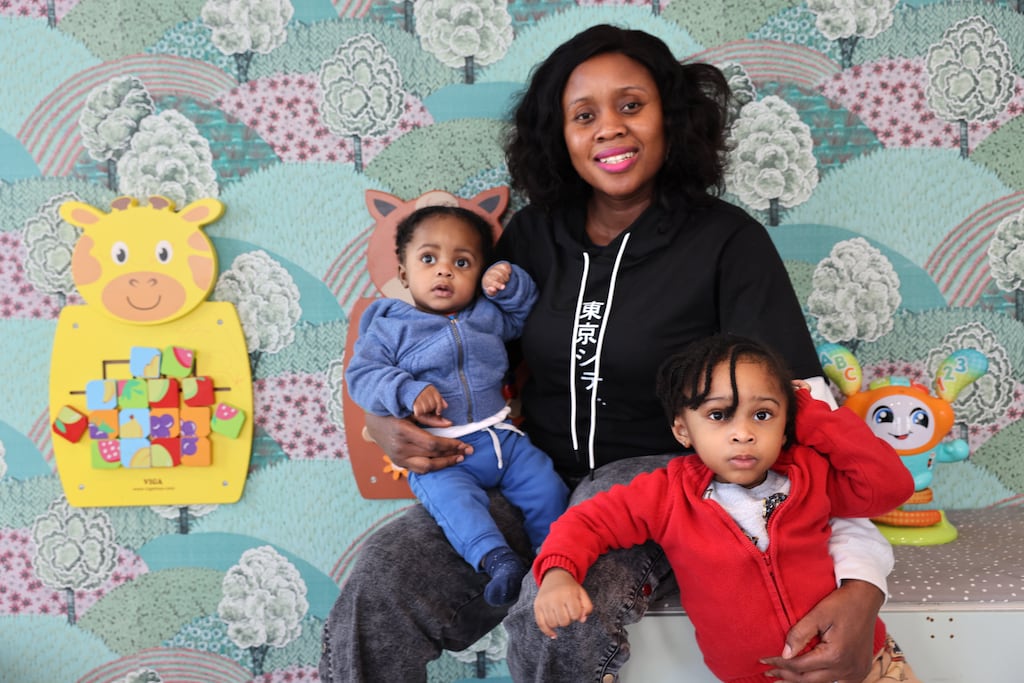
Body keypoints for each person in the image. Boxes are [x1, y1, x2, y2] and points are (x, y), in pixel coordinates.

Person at [321, 24, 898, 683]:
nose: (609, 129)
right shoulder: (532, 235)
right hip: (526, 474)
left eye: (631, 105)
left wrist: (862, 581)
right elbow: (450, 348)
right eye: (583, 114)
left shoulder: (726, 243)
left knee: (561, 605)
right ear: (559, 134)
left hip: (660, 489)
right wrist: (380, 421)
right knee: (382, 578)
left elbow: (807, 419)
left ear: (671, 117)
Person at [532, 334, 917, 683]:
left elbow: (889, 486)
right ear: (683, 429)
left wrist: (811, 413)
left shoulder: (810, 474)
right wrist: (558, 572)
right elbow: (588, 522)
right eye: (719, 415)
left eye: (763, 414)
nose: (743, 432)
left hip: (867, 663)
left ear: (785, 425)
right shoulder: (666, 494)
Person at [345, 204, 569, 607]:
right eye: (428, 259)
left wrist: (509, 284)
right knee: (456, 506)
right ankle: (497, 561)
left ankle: (553, 562)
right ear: (403, 274)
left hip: (502, 440)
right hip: (443, 453)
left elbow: (523, 316)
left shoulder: (485, 316)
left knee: (546, 485)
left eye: (462, 262)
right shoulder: (390, 325)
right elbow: (362, 377)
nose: (444, 270)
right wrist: (406, 389)